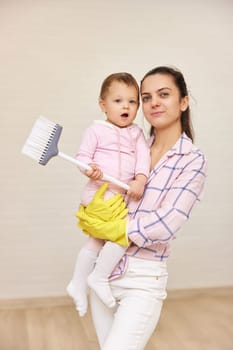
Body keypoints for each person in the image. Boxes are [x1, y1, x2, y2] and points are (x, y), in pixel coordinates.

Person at [77, 66, 208, 350]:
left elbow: (167, 222)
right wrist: (94, 209)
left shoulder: (191, 160)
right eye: (146, 97)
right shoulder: (131, 147)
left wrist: (114, 228)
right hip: (104, 271)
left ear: (183, 102)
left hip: (142, 279)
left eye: (164, 94)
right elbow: (105, 198)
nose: (154, 103)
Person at [67, 72, 150, 317]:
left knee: (96, 241)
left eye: (132, 101)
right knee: (121, 235)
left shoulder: (136, 133)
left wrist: (140, 179)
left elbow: (143, 158)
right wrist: (88, 169)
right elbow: (82, 157)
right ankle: (98, 277)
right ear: (103, 105)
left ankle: (77, 282)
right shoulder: (96, 131)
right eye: (118, 101)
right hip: (99, 194)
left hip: (121, 197)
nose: (126, 106)